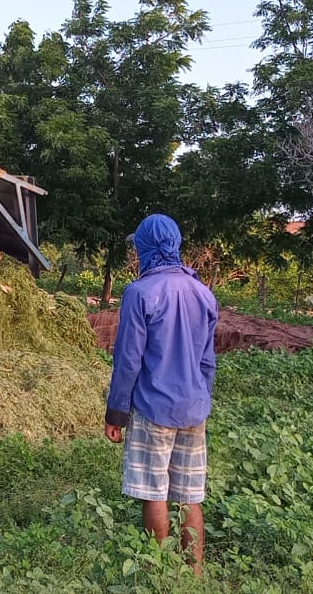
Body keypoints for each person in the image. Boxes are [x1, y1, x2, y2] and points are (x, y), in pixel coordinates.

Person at [103, 213, 218, 575]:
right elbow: (207, 362)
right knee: (190, 495)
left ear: (146, 248)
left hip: (153, 408)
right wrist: (201, 400)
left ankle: (159, 568)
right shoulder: (203, 294)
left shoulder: (139, 293)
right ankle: (194, 573)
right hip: (194, 409)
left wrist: (115, 414)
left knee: (155, 491)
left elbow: (128, 362)